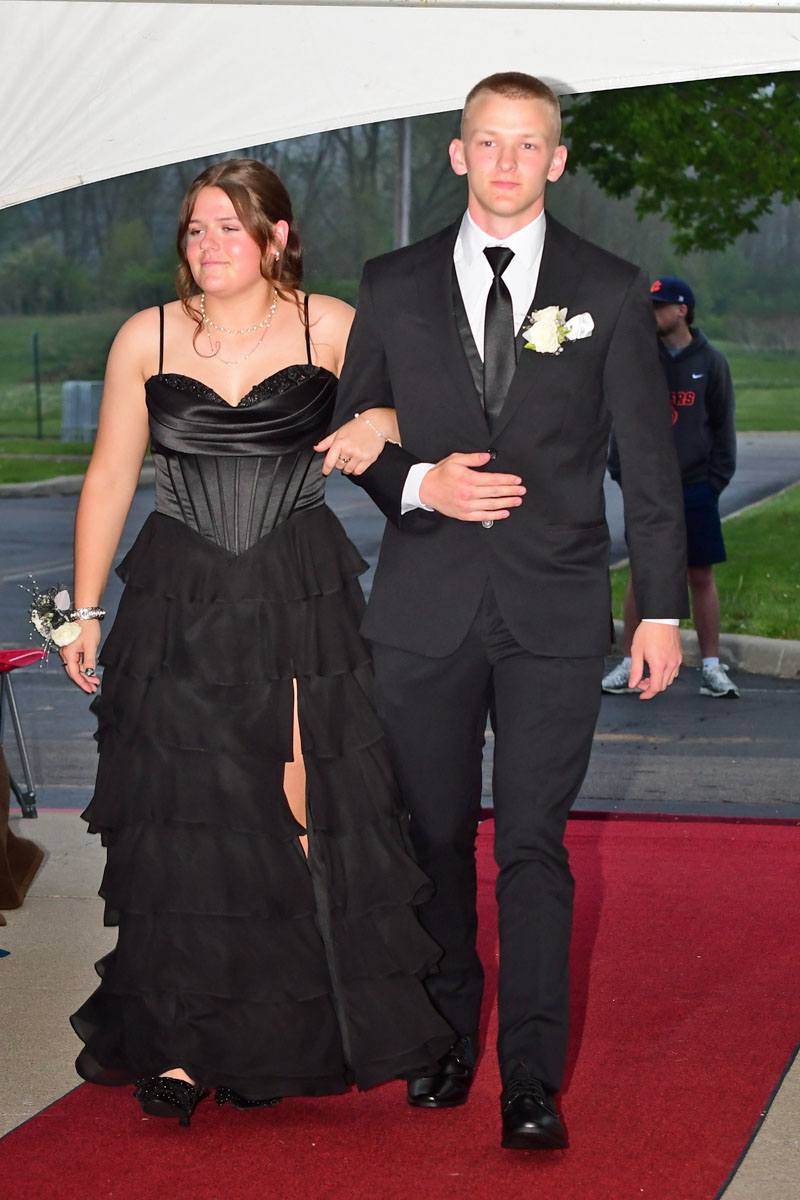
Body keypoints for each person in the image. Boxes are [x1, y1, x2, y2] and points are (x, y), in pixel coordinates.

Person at [330, 73, 687, 1151]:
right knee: (432, 837)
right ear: (456, 154)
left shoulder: (610, 288)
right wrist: (417, 482)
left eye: (525, 146)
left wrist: (658, 611)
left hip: (553, 608)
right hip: (423, 607)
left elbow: (651, 466)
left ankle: (529, 1080)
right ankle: (443, 1038)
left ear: (555, 161)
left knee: (530, 844)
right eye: (486, 143)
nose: (503, 163)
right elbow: (352, 431)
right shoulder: (389, 284)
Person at [60, 158, 452, 1126]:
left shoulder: (333, 324)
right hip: (178, 599)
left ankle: (307, 1027)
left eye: (228, 228)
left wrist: (375, 422)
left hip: (295, 594)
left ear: (278, 235)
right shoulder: (144, 334)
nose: (207, 247)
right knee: (190, 819)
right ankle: (185, 1046)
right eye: (194, 230)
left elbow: (403, 413)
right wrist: (83, 609)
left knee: (301, 805)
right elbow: (112, 474)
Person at [602, 275, 738, 698]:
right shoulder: (641, 360)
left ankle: (712, 667)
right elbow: (622, 421)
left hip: (696, 484)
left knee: (699, 574)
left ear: (682, 310)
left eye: (660, 306)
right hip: (648, 487)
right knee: (643, 574)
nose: (652, 312)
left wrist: (714, 482)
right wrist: (625, 474)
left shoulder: (711, 362)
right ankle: (630, 663)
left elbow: (722, 426)